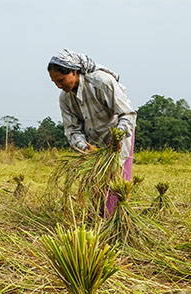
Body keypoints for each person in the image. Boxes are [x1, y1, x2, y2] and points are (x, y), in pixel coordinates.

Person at [47, 49, 136, 217]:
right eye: (54, 82)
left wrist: (118, 135)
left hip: (120, 138)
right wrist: (84, 147)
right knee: (96, 186)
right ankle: (98, 219)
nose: (59, 86)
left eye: (61, 80)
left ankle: (117, 221)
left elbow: (128, 114)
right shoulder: (65, 99)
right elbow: (72, 130)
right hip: (94, 144)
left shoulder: (101, 82)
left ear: (74, 71)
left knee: (117, 184)